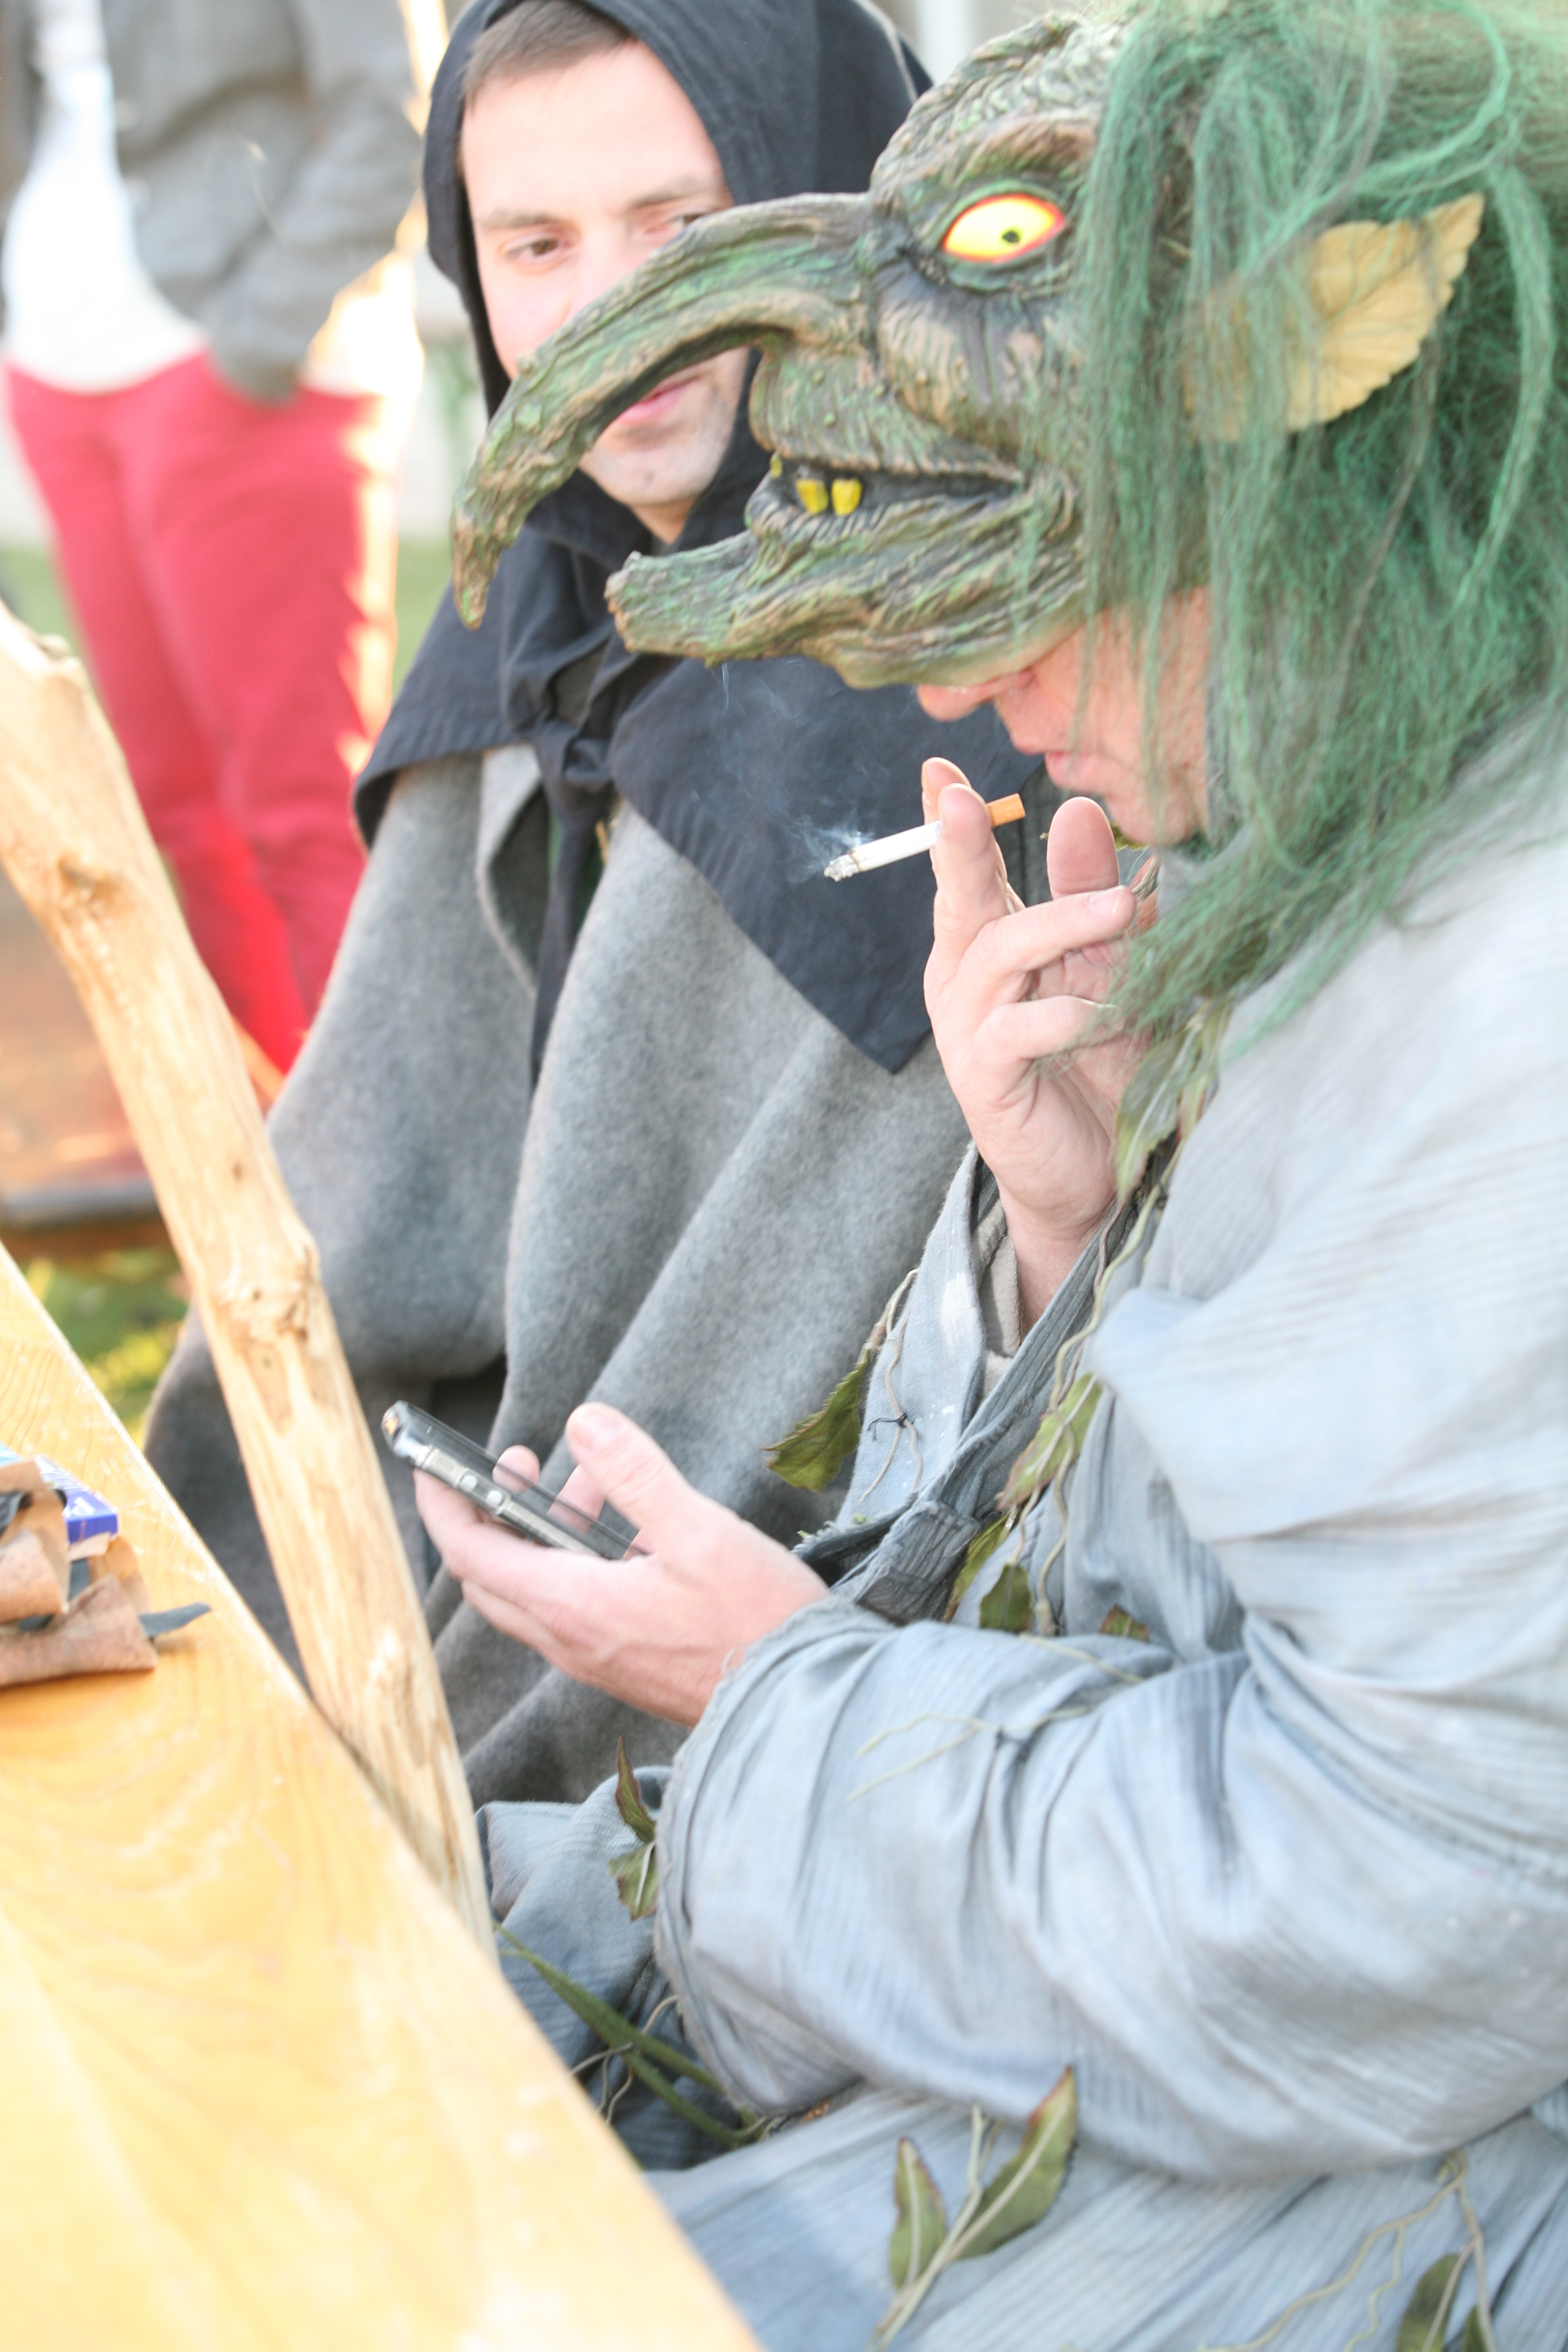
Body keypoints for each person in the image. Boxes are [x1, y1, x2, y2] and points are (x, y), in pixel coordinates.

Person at [416, 2, 1568, 2342]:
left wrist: (779, 1703)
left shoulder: (1512, 994)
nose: (971, 694)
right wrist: (1076, 1218)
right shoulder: (1324, 817)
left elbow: (1418, 1914)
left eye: (1043, 591)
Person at [143, 0, 1041, 1800]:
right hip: (448, 1502)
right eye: (536, 245)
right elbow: (356, 1219)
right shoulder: (545, 568)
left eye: (684, 226)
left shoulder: (956, 668)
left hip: (787, 1691)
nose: (614, 312)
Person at [0, 0, 428, 1074]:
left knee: (304, 810)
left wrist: (257, 337)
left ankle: (390, 1154)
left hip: (244, 367)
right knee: (177, 816)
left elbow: (392, 112)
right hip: (58, 371)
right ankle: (265, 1149)